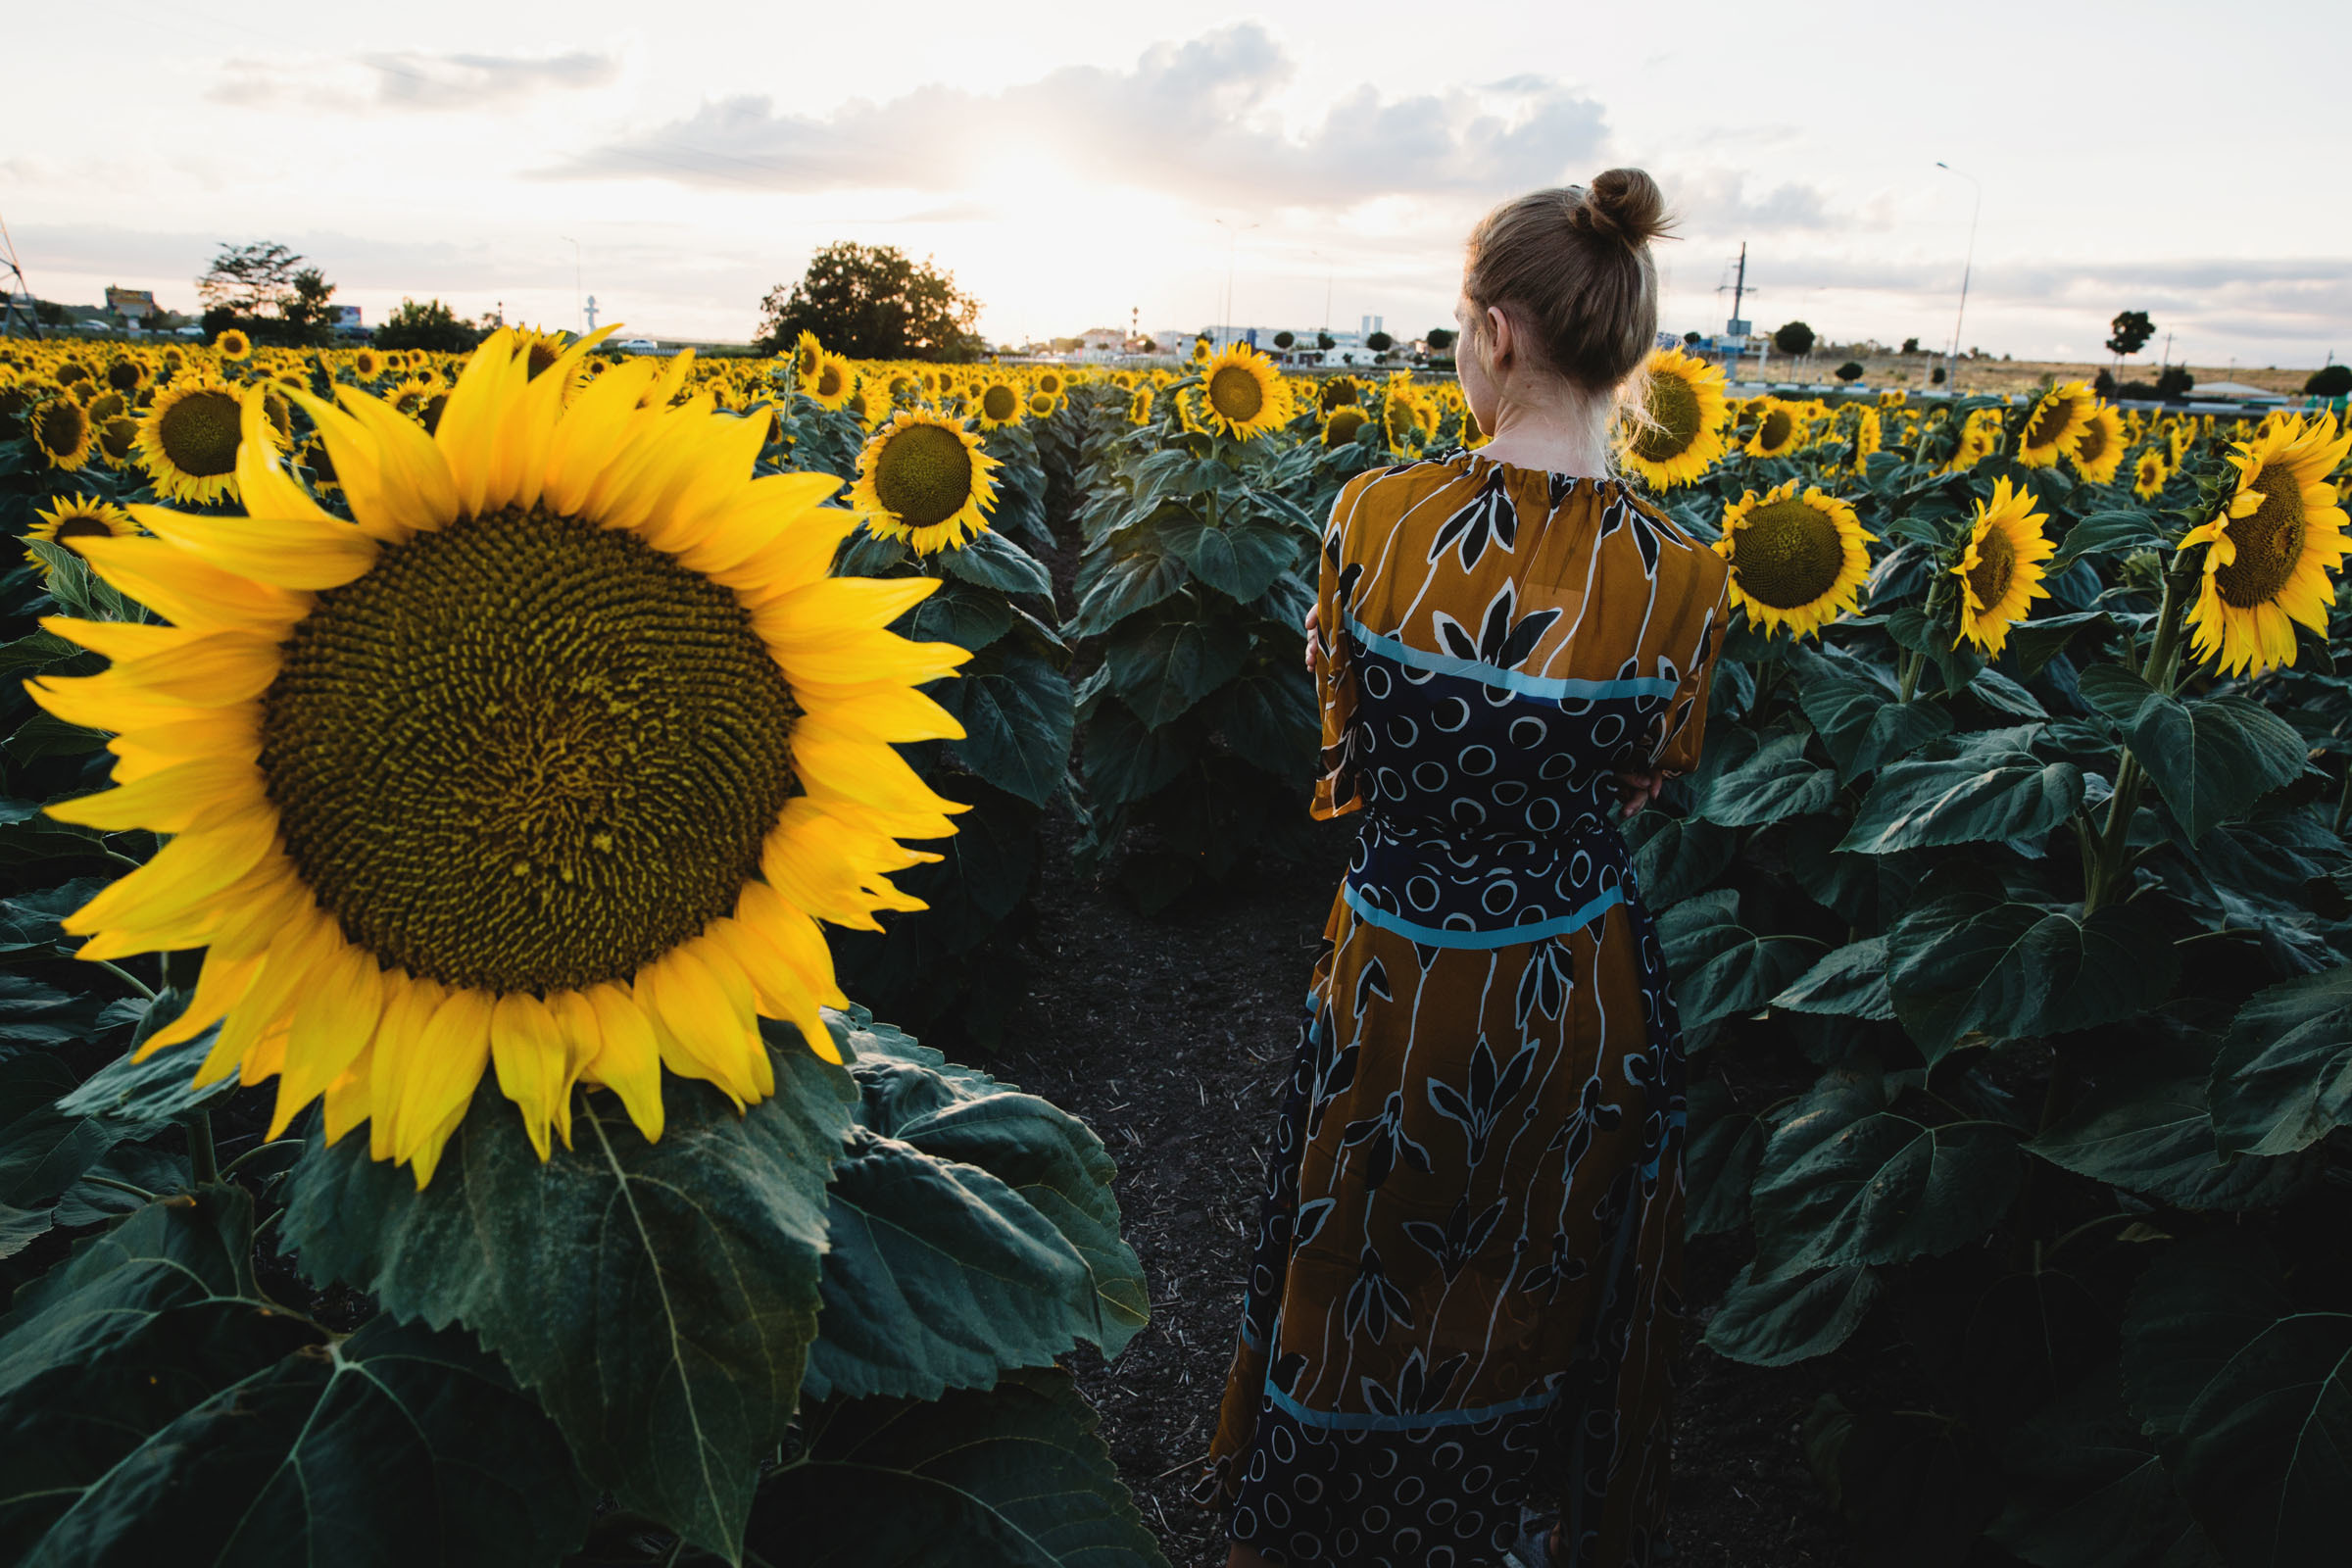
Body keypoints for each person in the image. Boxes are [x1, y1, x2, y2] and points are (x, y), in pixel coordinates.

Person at [1197, 170, 1731, 1568]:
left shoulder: (1376, 517)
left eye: (1455, 326)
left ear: (1496, 332)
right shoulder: (1689, 571)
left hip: (1406, 965)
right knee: (1538, 1270)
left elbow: (1348, 762)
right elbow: (1643, 781)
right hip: (1578, 977)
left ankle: (1305, 1524)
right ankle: (1498, 1529)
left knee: (1354, 1249)